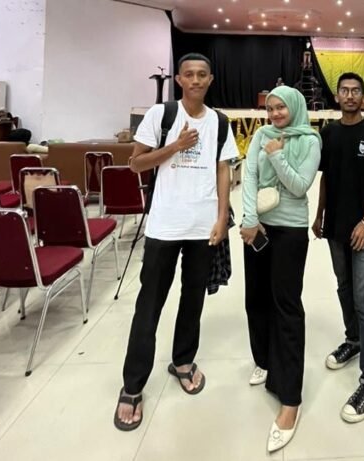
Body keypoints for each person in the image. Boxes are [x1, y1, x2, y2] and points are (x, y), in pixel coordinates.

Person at [114, 53, 238, 431]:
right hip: (164, 226)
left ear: (211, 79)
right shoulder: (161, 115)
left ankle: (183, 361)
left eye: (202, 74)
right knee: (149, 304)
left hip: (202, 227)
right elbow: (136, 164)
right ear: (179, 80)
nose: (196, 80)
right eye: (189, 74)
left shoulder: (219, 122)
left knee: (192, 299)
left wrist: (221, 217)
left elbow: (223, 169)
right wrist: (175, 146)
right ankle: (133, 384)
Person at [240, 85, 321, 452]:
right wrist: (249, 218)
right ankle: (264, 360)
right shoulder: (261, 134)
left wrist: (276, 156)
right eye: (270, 108)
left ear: (295, 107)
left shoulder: (310, 140)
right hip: (259, 228)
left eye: (281, 108)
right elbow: (249, 177)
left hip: (289, 230)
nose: (274, 114)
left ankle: (290, 398)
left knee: (286, 306)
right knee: (256, 298)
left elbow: (299, 186)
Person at [312, 72, 364, 423]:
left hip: (363, 229)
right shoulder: (328, 133)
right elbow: (326, 177)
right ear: (337, 95)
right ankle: (353, 339)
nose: (350, 95)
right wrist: (319, 214)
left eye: (356, 90)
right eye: (345, 90)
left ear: (363, 96)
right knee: (344, 287)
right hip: (335, 227)